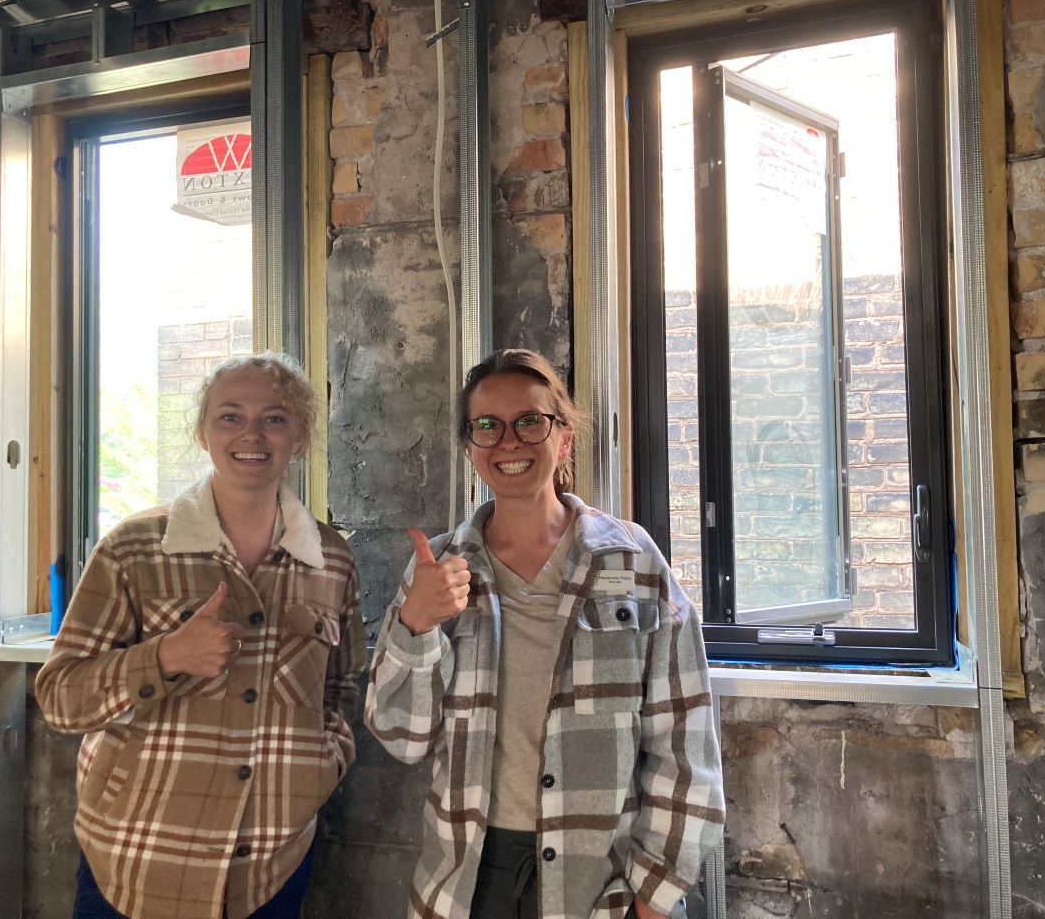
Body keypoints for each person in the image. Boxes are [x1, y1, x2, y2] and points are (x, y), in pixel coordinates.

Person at [366, 348, 724, 919]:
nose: (508, 440)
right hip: (468, 877)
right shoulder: (435, 568)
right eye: (487, 425)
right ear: (470, 445)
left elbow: (686, 742)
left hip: (603, 878)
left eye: (530, 420)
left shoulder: (632, 563)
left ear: (563, 438)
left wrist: (653, 897)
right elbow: (400, 739)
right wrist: (416, 625)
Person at [37, 352, 365, 919]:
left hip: (270, 862)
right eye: (230, 417)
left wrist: (320, 764)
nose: (253, 435)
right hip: (138, 855)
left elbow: (343, 687)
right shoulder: (133, 548)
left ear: (300, 437)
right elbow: (61, 699)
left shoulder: (331, 560)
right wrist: (165, 656)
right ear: (202, 431)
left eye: (276, 418)